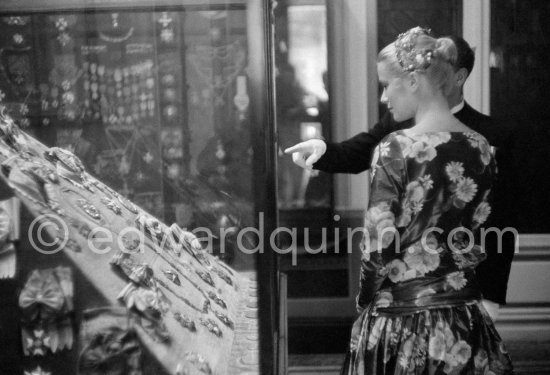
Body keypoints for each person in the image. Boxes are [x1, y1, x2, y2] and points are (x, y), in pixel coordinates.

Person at [284, 34, 515, 322]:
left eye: (385, 86)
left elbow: (500, 222)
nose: (383, 97)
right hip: (412, 297)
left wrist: (492, 295)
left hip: (457, 296)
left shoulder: (493, 136)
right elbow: (360, 150)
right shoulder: (400, 128)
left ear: (458, 76)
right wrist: (322, 149)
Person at [331, 27, 512, 374]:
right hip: (465, 319)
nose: (384, 97)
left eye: (387, 85)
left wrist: (366, 301)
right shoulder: (481, 147)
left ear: (413, 81)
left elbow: (378, 244)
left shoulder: (395, 148)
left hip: (401, 318)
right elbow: (484, 231)